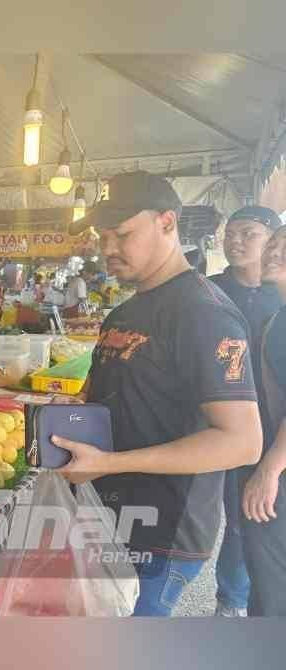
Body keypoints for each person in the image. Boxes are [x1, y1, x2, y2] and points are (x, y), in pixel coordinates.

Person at [54, 171, 263, 617]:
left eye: (122, 234)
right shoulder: (125, 312)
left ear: (167, 222)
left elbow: (242, 441)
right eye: (102, 235)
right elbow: (111, 399)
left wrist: (111, 464)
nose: (107, 248)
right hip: (108, 518)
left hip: (162, 536)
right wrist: (73, 413)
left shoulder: (202, 313)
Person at [207, 206, 282, 617]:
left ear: (271, 239)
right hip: (211, 418)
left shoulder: (281, 293)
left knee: (249, 515)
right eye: (230, 233)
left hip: (268, 425)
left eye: (247, 233)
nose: (235, 241)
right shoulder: (208, 290)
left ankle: (233, 601)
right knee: (211, 507)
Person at [240, 225, 286, 616]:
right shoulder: (279, 314)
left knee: (272, 586)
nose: (276, 252)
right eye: (274, 244)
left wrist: (269, 469)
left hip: (278, 475)